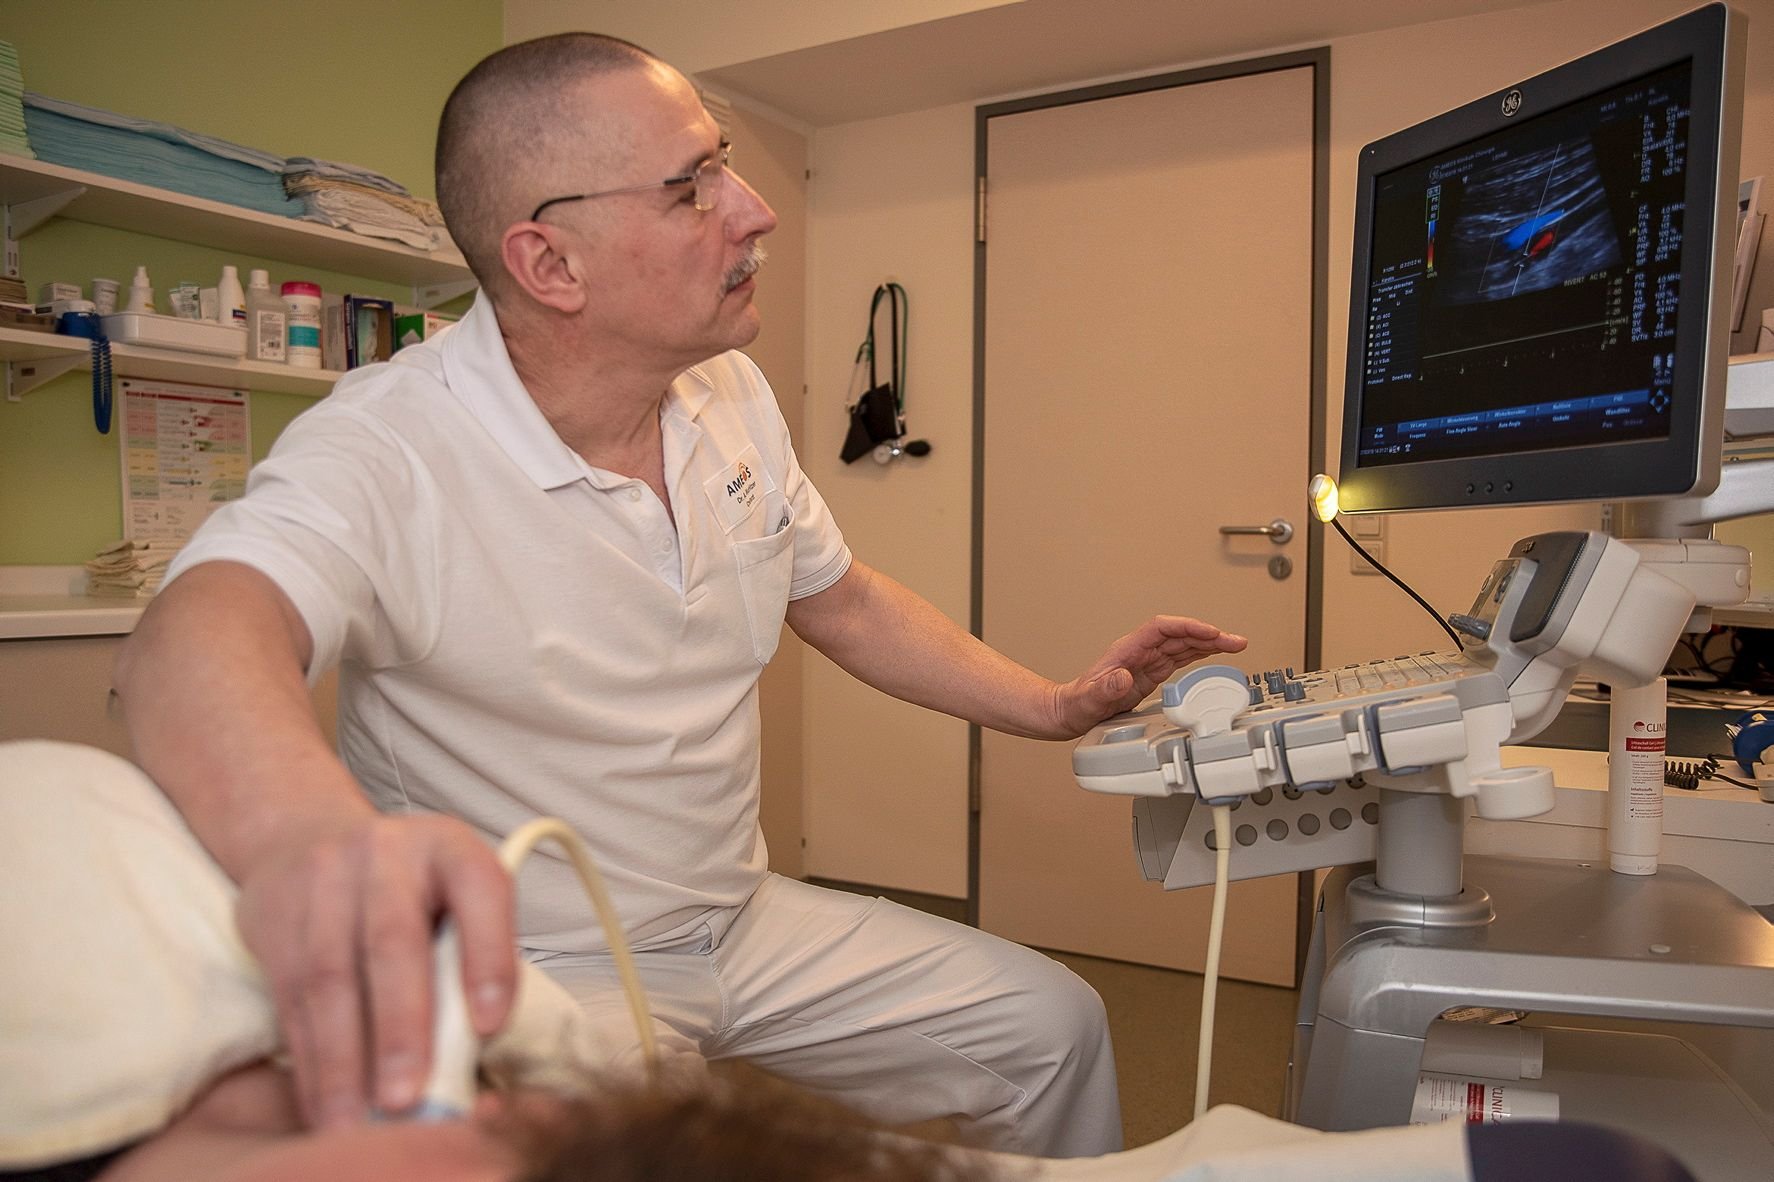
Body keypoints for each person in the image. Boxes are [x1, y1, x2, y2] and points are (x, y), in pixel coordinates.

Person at [111, 32, 1249, 1157]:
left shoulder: (728, 393)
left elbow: (841, 600)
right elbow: (192, 637)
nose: (754, 209)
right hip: (545, 966)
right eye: (692, 187)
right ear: (552, 264)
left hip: (743, 915)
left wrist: (1050, 705)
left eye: (727, 163)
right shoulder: (388, 447)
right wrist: (311, 846)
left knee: (1054, 1029)